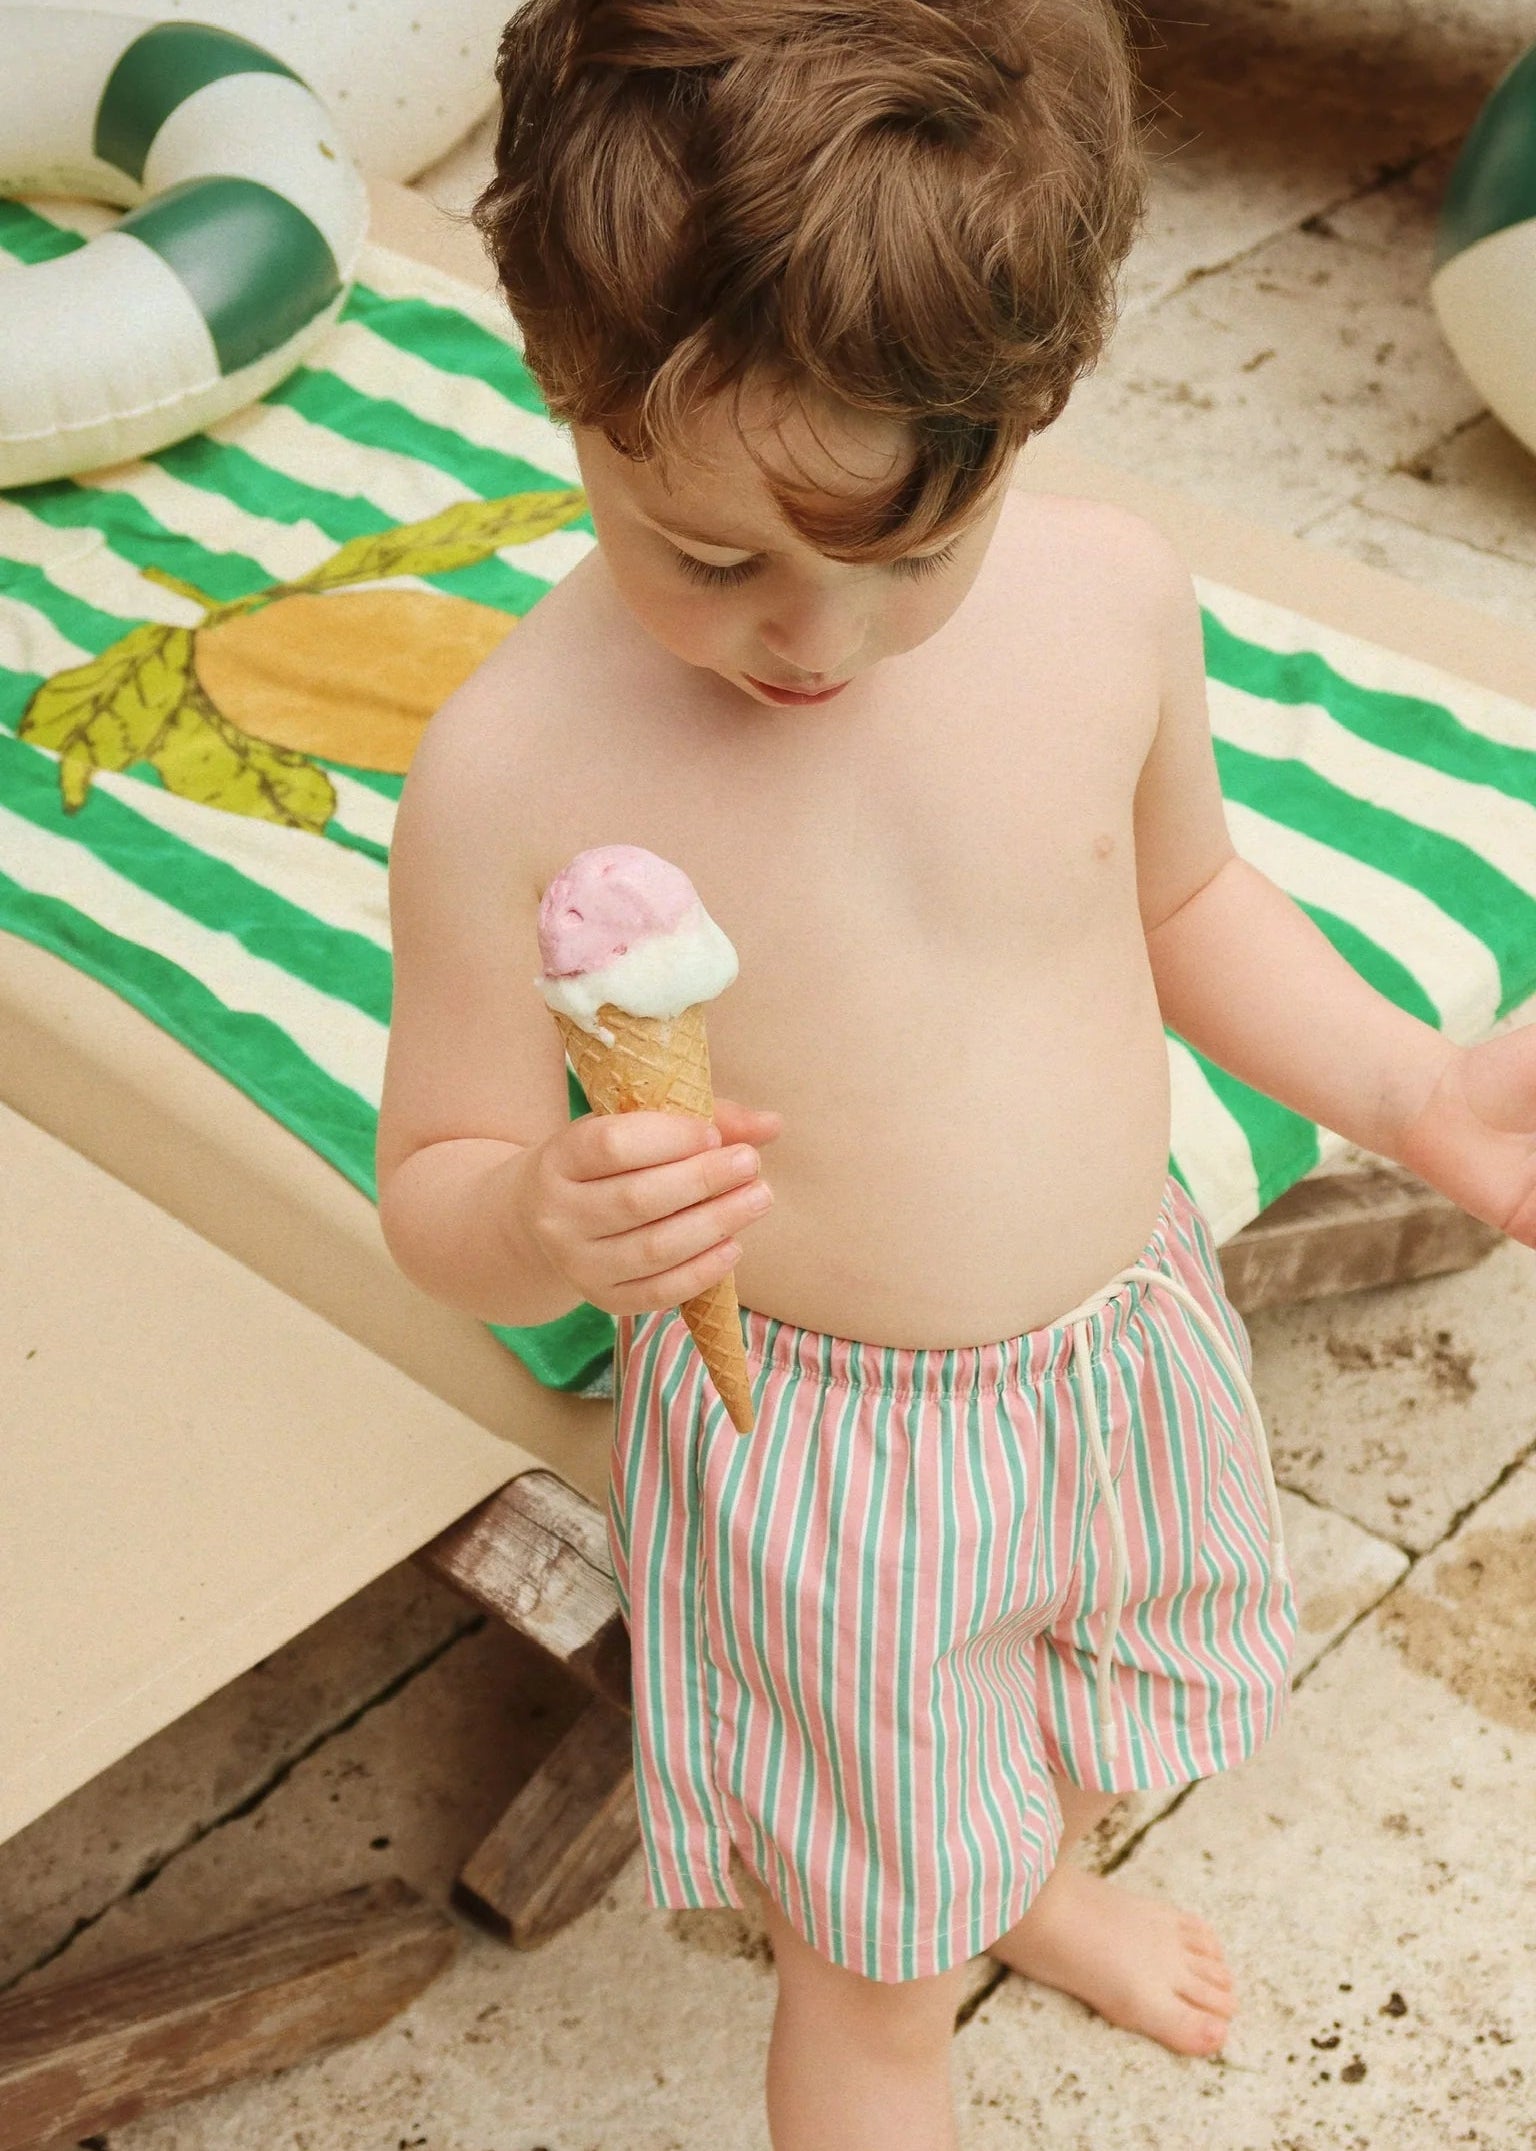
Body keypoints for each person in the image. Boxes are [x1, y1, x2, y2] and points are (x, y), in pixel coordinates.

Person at [375, 4, 1536, 2143]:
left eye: (913, 547)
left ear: (1038, 403)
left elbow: (1182, 904)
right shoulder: (515, 772)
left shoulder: (1105, 597)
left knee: (1093, 1710)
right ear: (568, 388)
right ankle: (928, 1939)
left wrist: (1412, 1087)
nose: (813, 641)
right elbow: (436, 1175)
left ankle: (1024, 1870)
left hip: (1127, 1353)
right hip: (830, 1471)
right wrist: (541, 1211)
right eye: (711, 553)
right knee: (870, 1975)